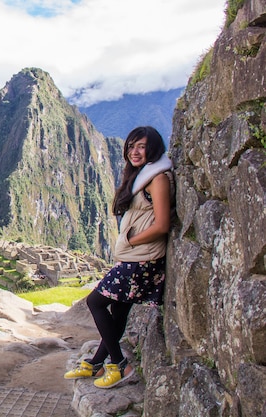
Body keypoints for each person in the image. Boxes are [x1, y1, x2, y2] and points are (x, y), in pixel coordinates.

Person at [64, 126, 175, 389]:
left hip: (143, 260)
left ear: (154, 148)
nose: (134, 152)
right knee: (118, 312)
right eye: (131, 146)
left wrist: (130, 240)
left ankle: (120, 365)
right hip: (134, 257)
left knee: (95, 302)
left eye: (141, 146)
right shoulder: (141, 175)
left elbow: (162, 225)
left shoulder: (158, 179)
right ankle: (96, 363)